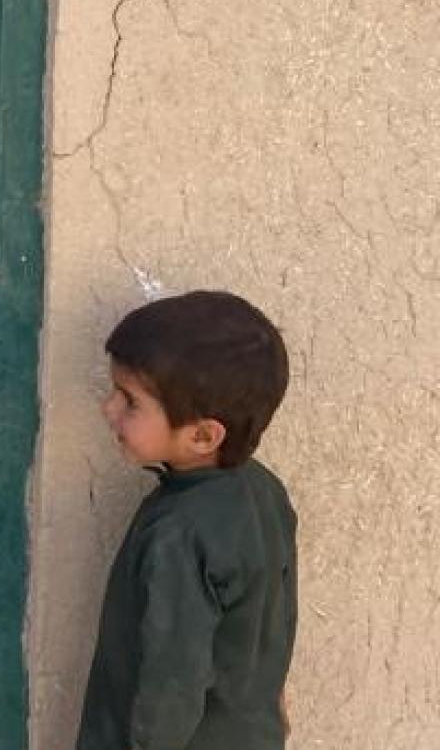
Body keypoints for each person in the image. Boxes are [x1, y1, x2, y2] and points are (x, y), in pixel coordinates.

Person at [77, 290, 297, 750]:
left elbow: (170, 686)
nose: (107, 409)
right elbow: (271, 627)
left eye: (129, 401)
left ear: (202, 435)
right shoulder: (263, 491)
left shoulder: (180, 533)